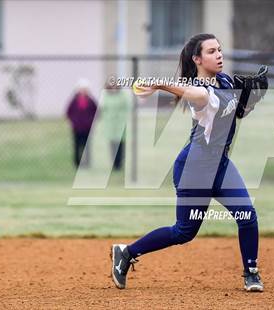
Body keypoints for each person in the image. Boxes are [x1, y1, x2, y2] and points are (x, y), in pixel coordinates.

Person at [111, 33, 264, 292]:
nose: (219, 55)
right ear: (197, 59)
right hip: (194, 169)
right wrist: (159, 83)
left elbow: (234, 114)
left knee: (247, 216)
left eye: (219, 50)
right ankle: (126, 253)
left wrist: (249, 103)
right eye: (211, 51)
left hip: (221, 165)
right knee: (183, 232)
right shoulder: (201, 92)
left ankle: (251, 273)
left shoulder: (225, 80)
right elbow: (195, 95)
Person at [66, 78, 97, 168]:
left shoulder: (91, 101)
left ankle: (87, 162)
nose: (83, 91)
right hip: (77, 127)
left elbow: (96, 111)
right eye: (82, 89)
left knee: (87, 147)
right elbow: (68, 112)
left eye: (85, 89)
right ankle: (77, 163)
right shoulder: (74, 101)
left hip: (87, 127)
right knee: (77, 146)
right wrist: (73, 121)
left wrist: (91, 121)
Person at [100, 82, 131, 170]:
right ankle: (114, 163)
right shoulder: (105, 96)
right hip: (110, 124)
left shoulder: (123, 96)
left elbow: (127, 107)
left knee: (121, 145)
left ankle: (120, 162)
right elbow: (103, 109)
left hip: (121, 124)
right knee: (112, 145)